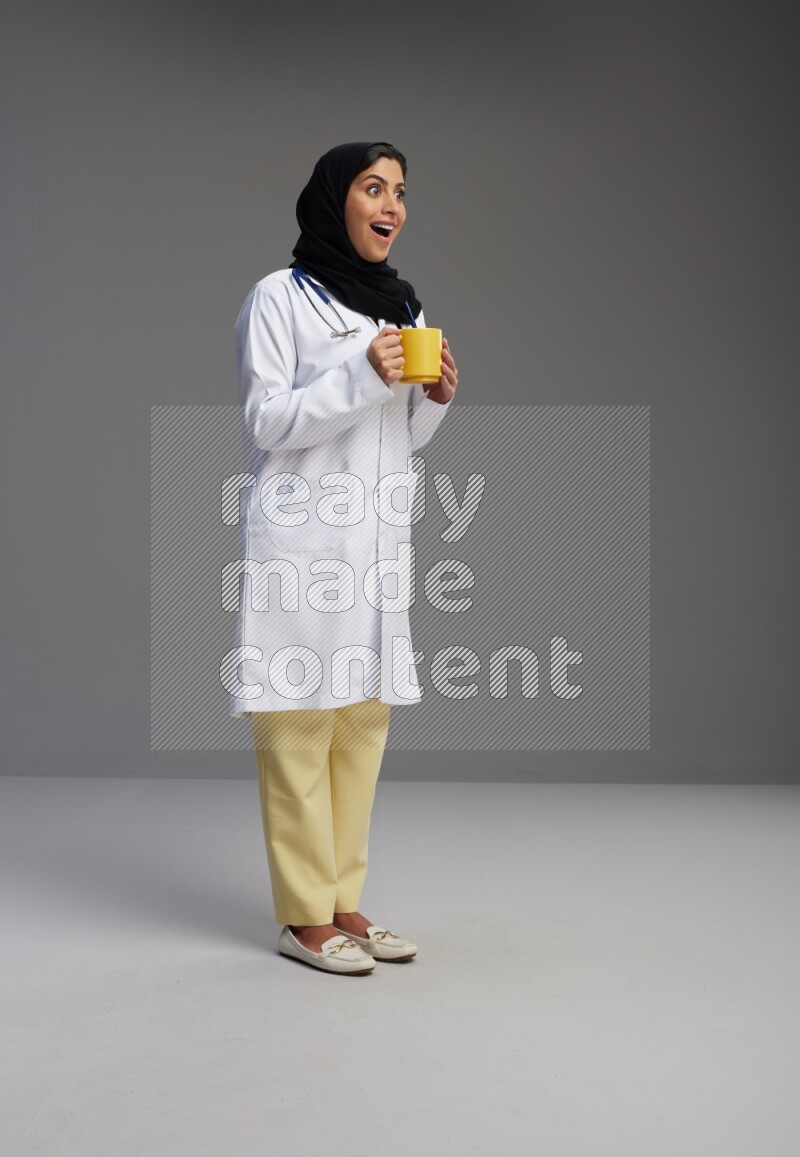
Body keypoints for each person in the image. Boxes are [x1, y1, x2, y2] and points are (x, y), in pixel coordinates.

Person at [230, 141, 458, 975]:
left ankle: (344, 901)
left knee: (362, 727)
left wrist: (432, 402)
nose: (392, 204)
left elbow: (396, 438)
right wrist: (363, 373)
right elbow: (267, 420)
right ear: (335, 200)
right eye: (373, 187)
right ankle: (302, 916)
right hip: (304, 547)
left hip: (374, 547)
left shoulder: (403, 306)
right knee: (297, 725)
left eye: (400, 190)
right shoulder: (279, 298)